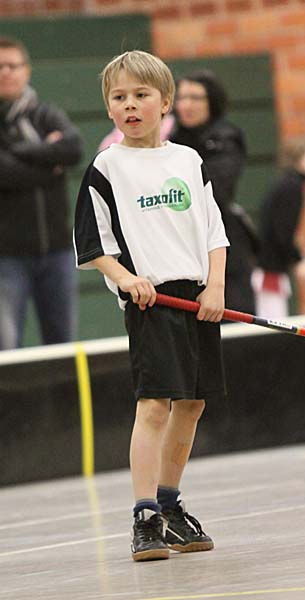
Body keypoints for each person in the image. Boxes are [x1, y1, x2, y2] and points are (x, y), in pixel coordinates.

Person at [73, 50, 229, 562]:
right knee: (155, 404)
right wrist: (125, 279)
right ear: (109, 109)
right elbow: (92, 246)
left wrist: (215, 287)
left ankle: (170, 505)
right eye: (119, 97)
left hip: (197, 299)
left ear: (165, 103)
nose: (130, 105)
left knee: (192, 404)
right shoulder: (106, 167)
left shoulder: (188, 160)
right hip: (151, 301)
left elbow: (214, 231)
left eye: (141, 95)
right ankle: (144, 517)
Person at [0, 36, 83, 351]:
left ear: (26, 70)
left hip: (56, 252)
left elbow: (73, 149)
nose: (6, 72)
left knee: (62, 345)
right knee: (5, 345)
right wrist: (48, 162)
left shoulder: (46, 114)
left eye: (13, 65)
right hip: (3, 257)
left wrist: (20, 151)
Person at [170, 69, 259, 314]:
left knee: (233, 318)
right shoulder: (170, 140)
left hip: (224, 245)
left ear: (211, 101)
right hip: (183, 249)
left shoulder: (226, 137)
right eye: (181, 98)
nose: (186, 105)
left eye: (195, 98)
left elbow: (217, 191)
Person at [252, 134, 305, 318]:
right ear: (304, 155)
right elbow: (283, 232)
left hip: (272, 271)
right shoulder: (292, 187)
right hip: (269, 274)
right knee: (274, 323)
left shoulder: (288, 185)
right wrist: (299, 259)